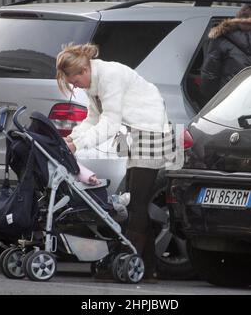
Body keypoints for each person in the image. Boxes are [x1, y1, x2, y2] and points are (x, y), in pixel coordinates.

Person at [56, 43, 175, 281]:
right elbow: (93, 118)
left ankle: (125, 260)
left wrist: (78, 146)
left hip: (152, 131)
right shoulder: (93, 83)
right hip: (132, 132)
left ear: (83, 71)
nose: (74, 86)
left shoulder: (110, 76)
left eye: (73, 81)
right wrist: (72, 138)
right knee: (133, 201)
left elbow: (109, 123)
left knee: (136, 204)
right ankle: (149, 268)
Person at [200, 4, 251, 105]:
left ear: (237, 19)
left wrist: (210, 101)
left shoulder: (222, 40)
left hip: (230, 101)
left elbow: (209, 75)